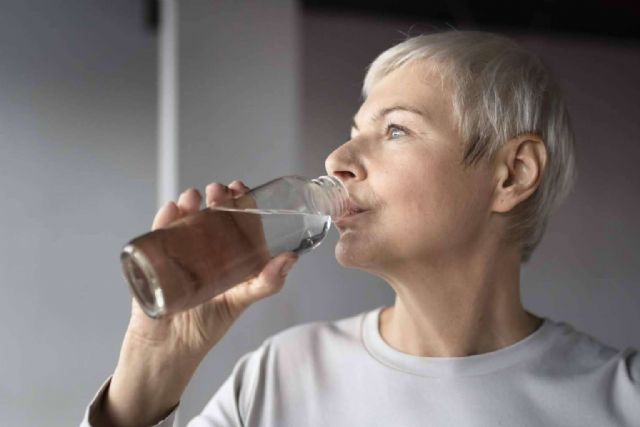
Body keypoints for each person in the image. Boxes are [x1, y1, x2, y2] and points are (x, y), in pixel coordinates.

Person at [81, 30, 639, 427]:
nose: (337, 158)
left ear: (512, 174)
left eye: (395, 130)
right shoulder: (283, 375)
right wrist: (159, 360)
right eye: (354, 130)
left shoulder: (621, 399)